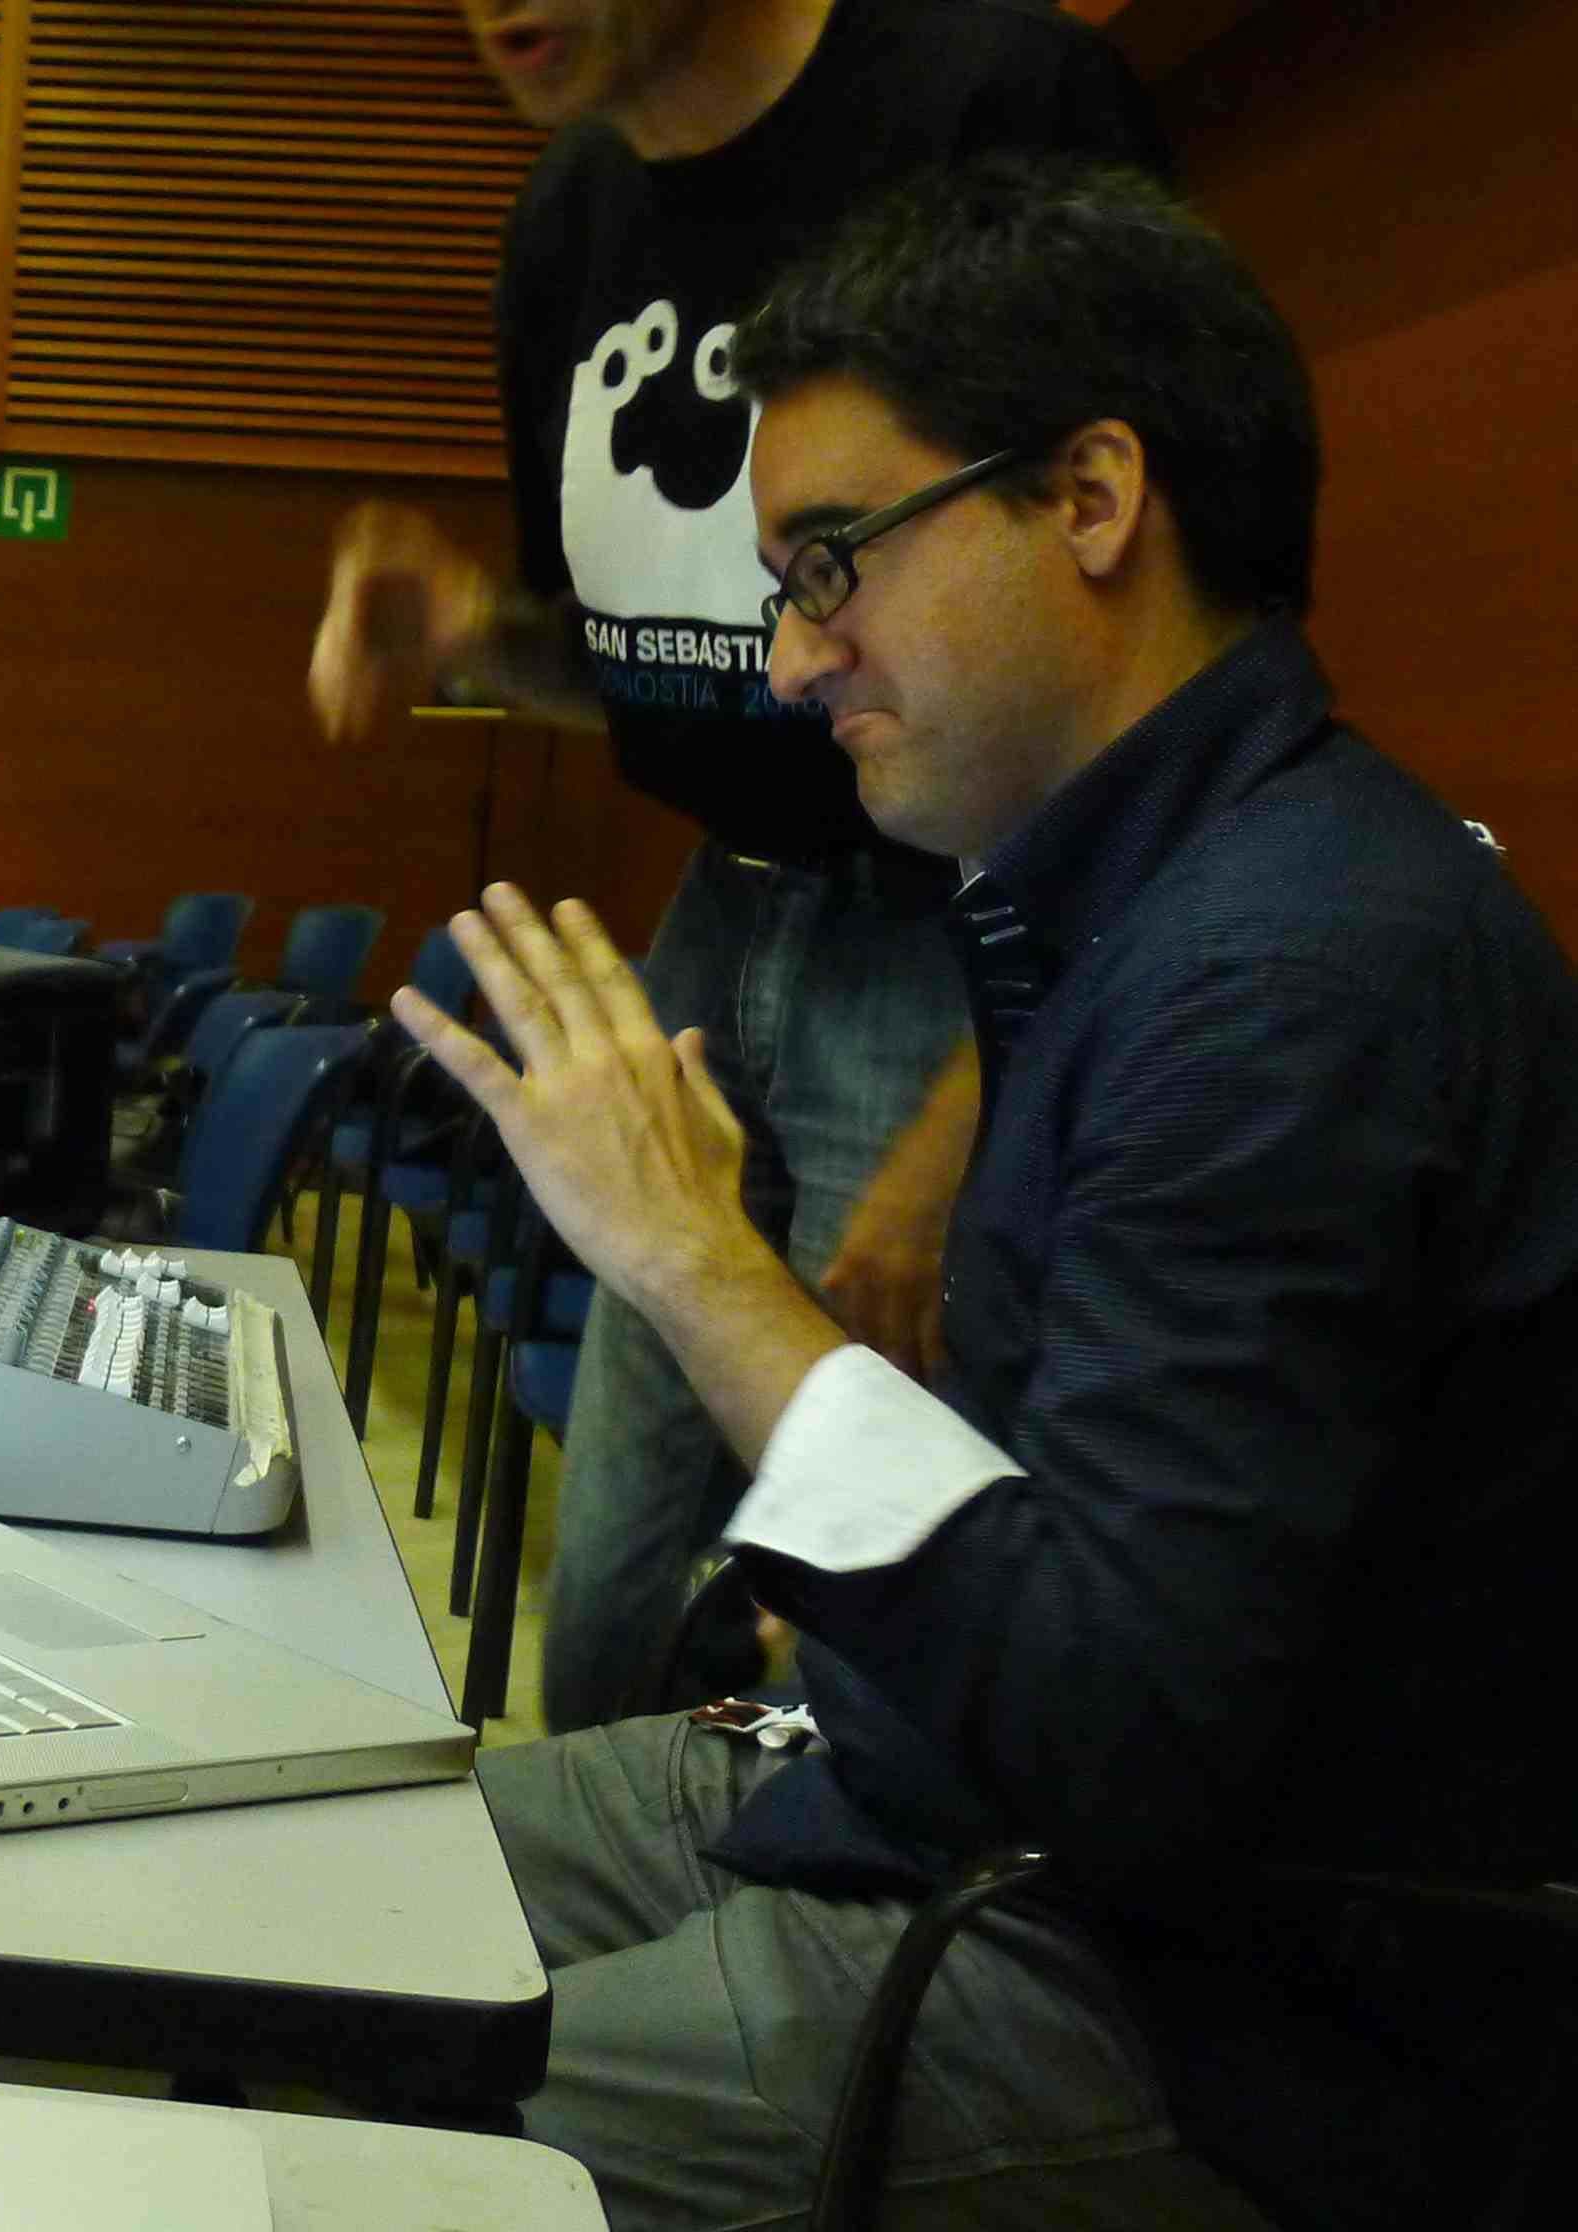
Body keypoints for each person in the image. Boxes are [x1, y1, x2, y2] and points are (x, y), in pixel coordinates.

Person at [396, 155, 1578, 2232]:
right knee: (295, 1918)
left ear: (1091, 499)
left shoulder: (1285, 977)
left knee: (344, 2133)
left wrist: (695, 1263)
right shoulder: (1154, 893)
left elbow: (1115, 1736)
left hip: (1212, 2005)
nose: (787, 662)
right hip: (951, 1795)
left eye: (828, 562)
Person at [310, 0, 1165, 1730]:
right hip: (718, 916)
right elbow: (679, 660)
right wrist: (480, 636)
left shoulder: (987, 94)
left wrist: (982, 1111)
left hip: (968, 934)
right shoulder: (569, 208)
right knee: (614, 1591)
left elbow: (1154, 640)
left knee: (865, 1625)